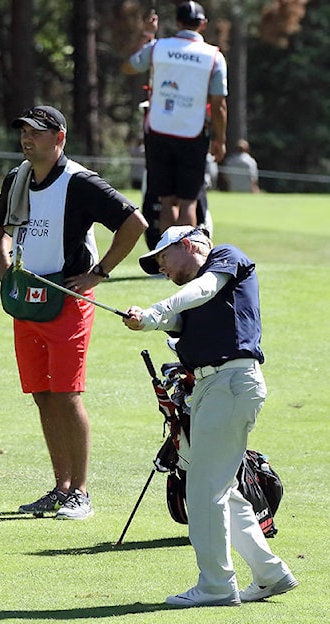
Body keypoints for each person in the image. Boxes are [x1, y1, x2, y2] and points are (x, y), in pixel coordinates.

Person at [122, 226, 297, 607]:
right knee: (222, 490)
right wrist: (147, 320)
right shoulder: (193, 299)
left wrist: (159, 309)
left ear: (190, 245)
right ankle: (270, 573)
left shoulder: (225, 259)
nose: (162, 268)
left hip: (231, 383)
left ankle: (216, 585)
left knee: (202, 490)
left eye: (164, 258)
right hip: (210, 389)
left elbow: (201, 290)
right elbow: (179, 323)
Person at [0, 106, 147, 520]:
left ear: (59, 137)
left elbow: (134, 223)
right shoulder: (17, 177)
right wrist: (4, 267)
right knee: (42, 394)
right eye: (23, 131)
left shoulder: (80, 182)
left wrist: (99, 274)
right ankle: (60, 487)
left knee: (67, 393)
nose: (27, 139)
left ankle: (81, 492)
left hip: (68, 299)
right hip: (27, 298)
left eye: (36, 132)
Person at [122, 0, 228, 234]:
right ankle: (186, 264)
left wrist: (147, 34)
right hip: (193, 133)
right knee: (189, 201)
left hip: (159, 130)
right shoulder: (213, 57)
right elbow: (219, 105)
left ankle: (166, 262)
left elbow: (129, 67)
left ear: (178, 22)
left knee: (167, 200)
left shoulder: (158, 47)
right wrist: (220, 139)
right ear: (203, 24)